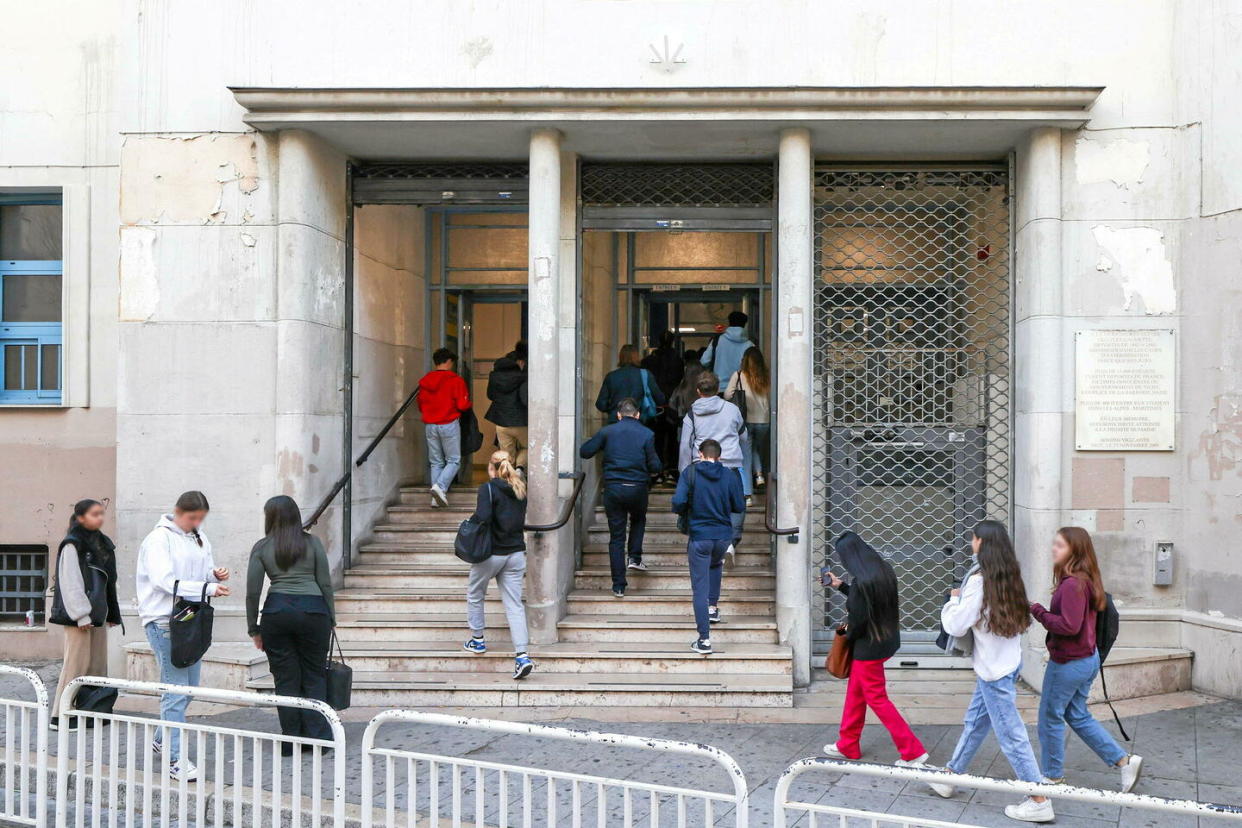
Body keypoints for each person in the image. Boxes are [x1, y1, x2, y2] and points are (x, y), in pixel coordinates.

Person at [930, 520, 1053, 823]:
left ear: (982, 544)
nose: (971, 543)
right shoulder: (1009, 576)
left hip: (993, 670)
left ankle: (1038, 798)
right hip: (1007, 663)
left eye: (973, 539)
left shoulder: (979, 580)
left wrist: (952, 602)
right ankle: (951, 775)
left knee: (1011, 735)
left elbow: (957, 624)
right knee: (975, 722)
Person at [1031, 527, 1142, 792]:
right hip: (1086, 659)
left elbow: (1068, 626)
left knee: (1050, 717)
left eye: (1060, 545)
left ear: (1075, 551)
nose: (1053, 549)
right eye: (1054, 544)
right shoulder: (1084, 579)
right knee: (1077, 714)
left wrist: (1036, 610)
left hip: (1069, 663)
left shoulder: (1073, 584)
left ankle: (1052, 776)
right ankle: (1124, 761)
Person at [135, 491, 229, 782]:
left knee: (189, 687)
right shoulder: (158, 539)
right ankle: (175, 758)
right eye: (192, 518)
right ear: (177, 511)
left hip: (189, 617)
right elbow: (164, 581)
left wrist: (214, 575)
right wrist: (208, 589)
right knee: (176, 690)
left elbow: (198, 573)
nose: (196, 523)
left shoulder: (198, 537)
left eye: (200, 518)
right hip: (164, 620)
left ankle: (163, 738)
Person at [821, 532, 928, 766]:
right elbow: (865, 601)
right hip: (883, 642)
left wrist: (846, 637)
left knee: (878, 699)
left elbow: (858, 619)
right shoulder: (882, 571)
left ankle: (913, 751)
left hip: (867, 648)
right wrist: (841, 586)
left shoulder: (862, 582)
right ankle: (847, 744)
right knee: (856, 694)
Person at [246, 495, 336, 751]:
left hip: (277, 614)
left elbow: (252, 592)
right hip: (313, 612)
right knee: (315, 675)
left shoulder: (262, 547)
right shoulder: (313, 543)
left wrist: (254, 628)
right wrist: (331, 617)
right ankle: (318, 738)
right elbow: (325, 584)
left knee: (285, 679)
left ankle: (291, 740)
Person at [461, 450, 536, 680]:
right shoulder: (520, 488)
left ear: (491, 468)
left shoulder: (488, 488)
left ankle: (478, 640)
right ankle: (522, 656)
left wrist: (469, 522)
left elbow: (483, 516)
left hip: (490, 553)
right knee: (514, 604)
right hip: (515, 553)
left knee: (475, 594)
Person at [48, 499, 121, 732]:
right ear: (80, 517)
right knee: (75, 665)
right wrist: (81, 615)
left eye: (101, 513)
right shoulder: (73, 544)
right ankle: (61, 715)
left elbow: (109, 582)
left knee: (97, 666)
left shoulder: (102, 544)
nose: (100, 518)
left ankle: (92, 712)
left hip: (99, 614)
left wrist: (112, 613)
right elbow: (70, 583)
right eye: (94, 514)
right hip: (78, 616)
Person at [579, 397, 662, 597]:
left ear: (618, 415)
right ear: (638, 415)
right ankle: (634, 557)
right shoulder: (647, 433)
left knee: (616, 537)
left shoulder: (608, 431)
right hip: (637, 488)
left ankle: (618, 586)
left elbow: (585, 452)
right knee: (638, 520)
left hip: (613, 488)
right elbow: (656, 466)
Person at [672, 439, 744, 654]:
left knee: (699, 588)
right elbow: (739, 505)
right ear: (719, 456)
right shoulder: (730, 475)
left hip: (700, 537)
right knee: (715, 568)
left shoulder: (690, 473)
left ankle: (704, 639)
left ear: (700, 454)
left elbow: (678, 502)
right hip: (722, 537)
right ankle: (712, 608)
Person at [677, 371, 751, 540]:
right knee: (736, 500)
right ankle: (731, 541)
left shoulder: (691, 414)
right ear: (718, 389)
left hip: (701, 467)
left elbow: (685, 446)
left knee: (702, 504)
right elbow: (744, 436)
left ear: (698, 391)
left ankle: (703, 540)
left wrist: (684, 472)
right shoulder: (733, 409)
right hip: (730, 465)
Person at [418, 347, 471, 508]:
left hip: (430, 425)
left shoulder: (425, 381)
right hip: (448, 423)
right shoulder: (455, 380)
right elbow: (462, 404)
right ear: (449, 362)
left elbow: (421, 405)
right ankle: (439, 487)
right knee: (454, 460)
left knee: (436, 462)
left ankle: (436, 498)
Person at [724, 346, 771, 489]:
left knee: (746, 455)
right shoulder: (766, 375)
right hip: (764, 420)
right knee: (755, 448)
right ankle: (759, 475)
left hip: (746, 420)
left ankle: (747, 493)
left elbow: (727, 395)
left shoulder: (739, 375)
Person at [641, 331, 684, 476]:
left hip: (653, 404)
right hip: (672, 404)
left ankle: (656, 470)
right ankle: (671, 470)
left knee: (657, 438)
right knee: (672, 439)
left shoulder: (649, 360)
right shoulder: (677, 360)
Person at [485, 341, 528, 474]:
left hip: (501, 422)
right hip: (521, 421)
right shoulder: (524, 376)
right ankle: (520, 469)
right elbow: (525, 399)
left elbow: (490, 395)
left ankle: (509, 482)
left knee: (507, 456)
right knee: (529, 447)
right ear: (520, 362)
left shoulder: (495, 376)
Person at [595, 344, 665, 422]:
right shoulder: (645, 375)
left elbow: (600, 404)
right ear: (637, 357)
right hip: (638, 423)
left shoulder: (611, 376)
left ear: (621, 357)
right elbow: (660, 399)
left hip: (615, 422)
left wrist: (612, 409)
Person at [699, 311, 754, 386]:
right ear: (744, 324)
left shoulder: (717, 341)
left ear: (729, 323)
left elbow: (704, 361)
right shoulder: (750, 345)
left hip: (719, 388)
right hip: (741, 389)